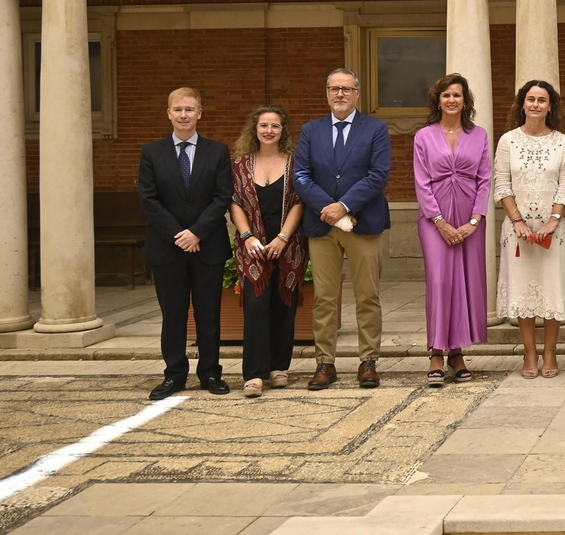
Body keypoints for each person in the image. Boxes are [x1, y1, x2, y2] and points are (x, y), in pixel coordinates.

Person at [293, 68, 392, 391]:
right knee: (323, 298)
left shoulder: (375, 129)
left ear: (357, 94)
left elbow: (378, 175)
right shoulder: (311, 130)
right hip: (322, 226)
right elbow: (301, 175)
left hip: (364, 224)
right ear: (326, 93)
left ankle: (368, 361)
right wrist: (330, 209)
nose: (340, 95)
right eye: (334, 89)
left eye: (346, 89)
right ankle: (325, 363)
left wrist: (345, 205)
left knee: (367, 295)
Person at [139, 87, 235, 400]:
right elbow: (149, 199)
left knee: (209, 315)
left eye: (190, 109)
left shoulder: (217, 151)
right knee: (174, 315)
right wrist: (179, 235)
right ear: (168, 113)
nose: (184, 115)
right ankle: (174, 375)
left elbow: (222, 196)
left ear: (199, 114)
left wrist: (197, 232)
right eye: (178, 109)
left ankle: (210, 373)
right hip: (167, 248)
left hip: (207, 246)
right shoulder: (152, 153)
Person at [494, 80, 565, 380]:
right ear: (522, 104)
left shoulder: (562, 142)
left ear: (550, 106)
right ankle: (529, 353)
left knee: (551, 291)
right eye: (530, 99)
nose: (536, 105)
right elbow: (502, 184)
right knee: (524, 291)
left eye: (542, 100)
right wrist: (517, 221)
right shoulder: (507, 141)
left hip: (554, 232)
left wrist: (554, 221)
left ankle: (551, 352)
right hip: (518, 231)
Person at [416, 73, 492, 386]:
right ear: (438, 100)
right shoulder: (424, 136)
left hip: (470, 218)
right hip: (435, 219)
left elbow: (486, 178)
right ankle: (436, 351)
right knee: (440, 281)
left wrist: (475, 220)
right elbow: (421, 181)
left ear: (465, 101)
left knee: (465, 282)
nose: (451, 100)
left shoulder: (480, 135)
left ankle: (457, 352)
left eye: (457, 95)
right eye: (446, 95)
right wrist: (440, 221)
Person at [229, 106, 308, 398]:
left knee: (284, 304)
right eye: (264, 125)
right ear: (255, 129)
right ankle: (254, 373)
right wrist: (247, 236)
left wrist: (283, 238)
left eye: (275, 126)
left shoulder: (295, 163)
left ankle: (279, 367)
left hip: (289, 244)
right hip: (252, 245)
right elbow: (235, 201)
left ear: (283, 130)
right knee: (256, 304)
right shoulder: (239, 164)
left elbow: (300, 201)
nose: (269, 131)